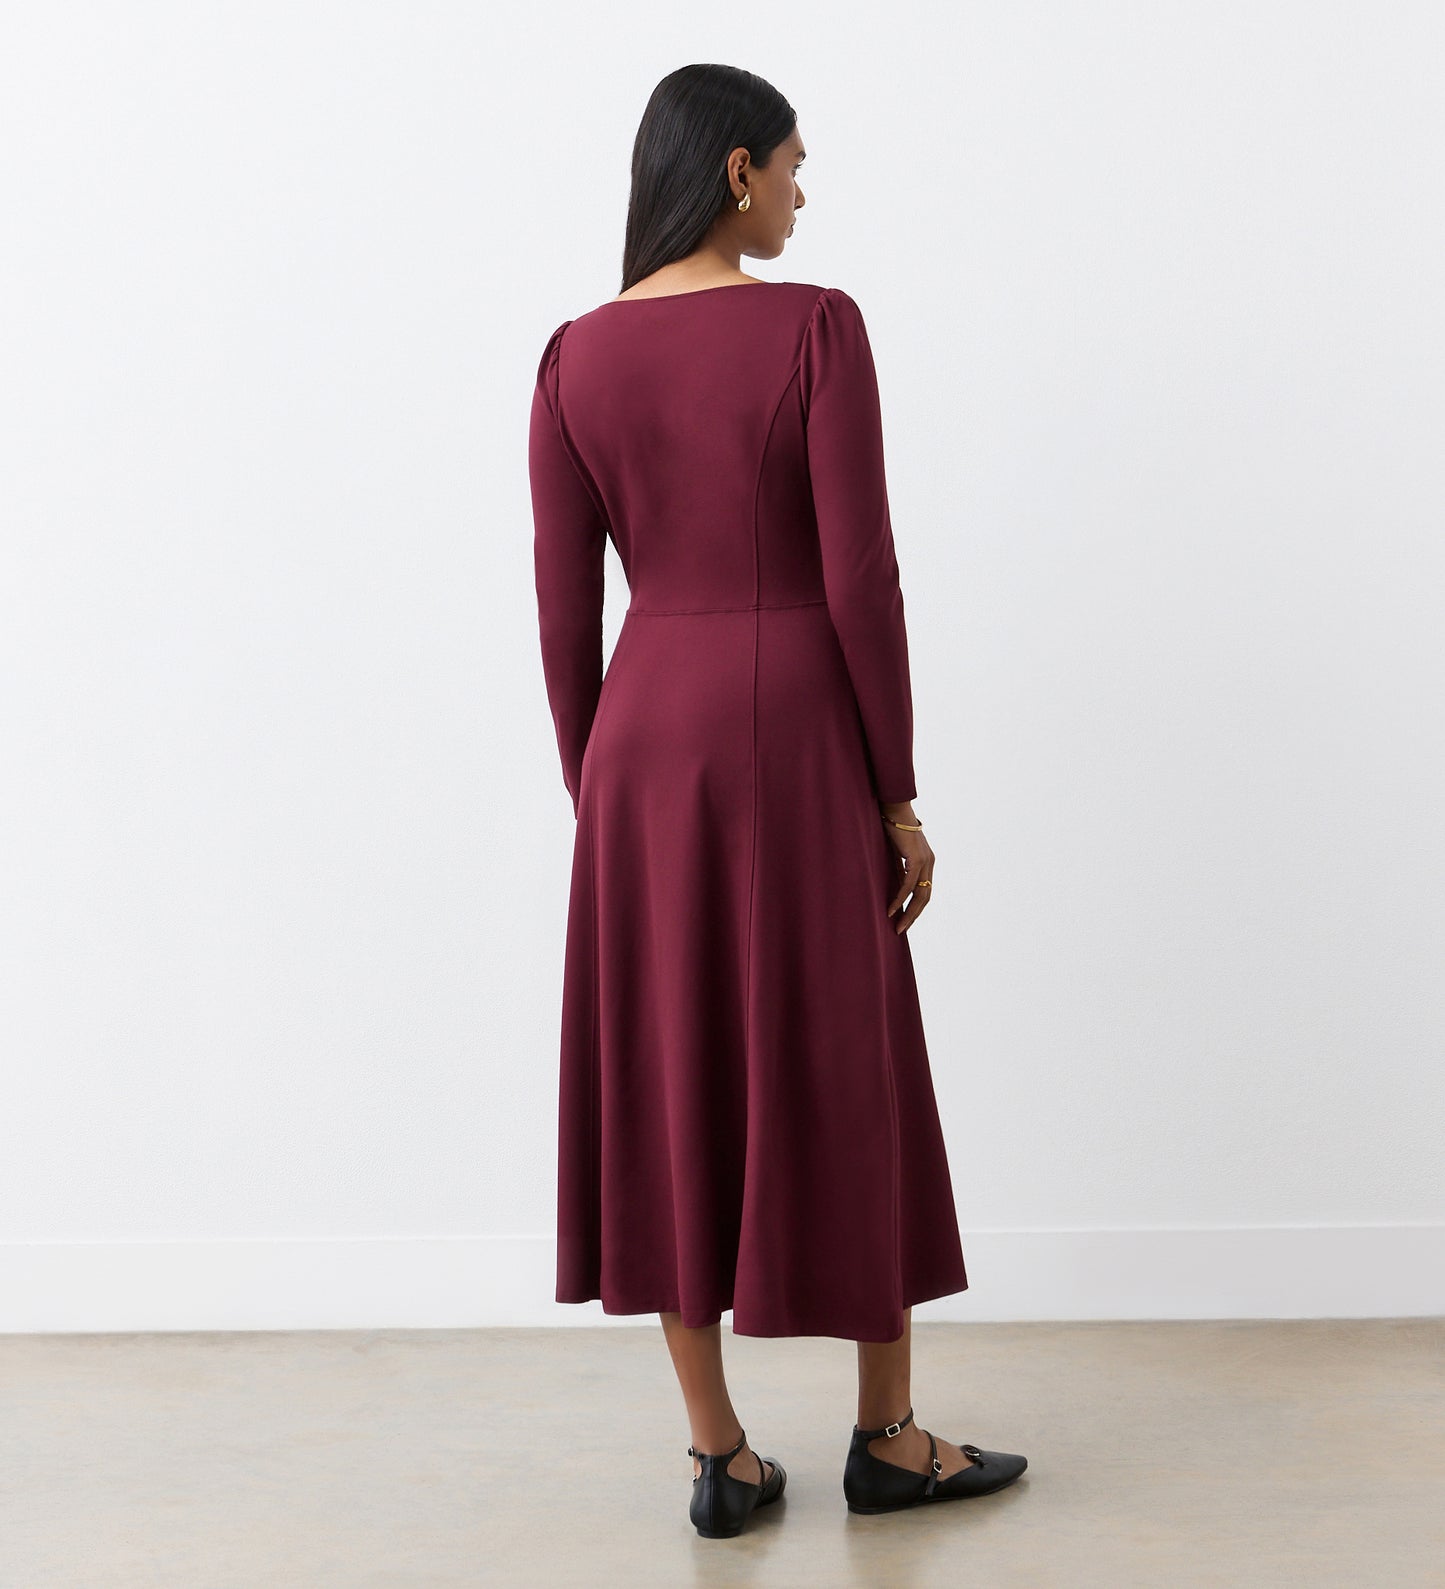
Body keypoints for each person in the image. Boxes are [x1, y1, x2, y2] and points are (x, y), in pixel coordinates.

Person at [528, 63, 1028, 1537]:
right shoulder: (814, 327)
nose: (804, 195)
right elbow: (859, 574)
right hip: (799, 727)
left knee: (664, 1072)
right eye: (795, 168)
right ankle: (887, 1434)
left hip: (641, 752)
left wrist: (596, 791)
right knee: (849, 1048)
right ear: (734, 167)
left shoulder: (570, 357)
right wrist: (897, 791)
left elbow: (564, 619)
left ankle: (720, 1454)